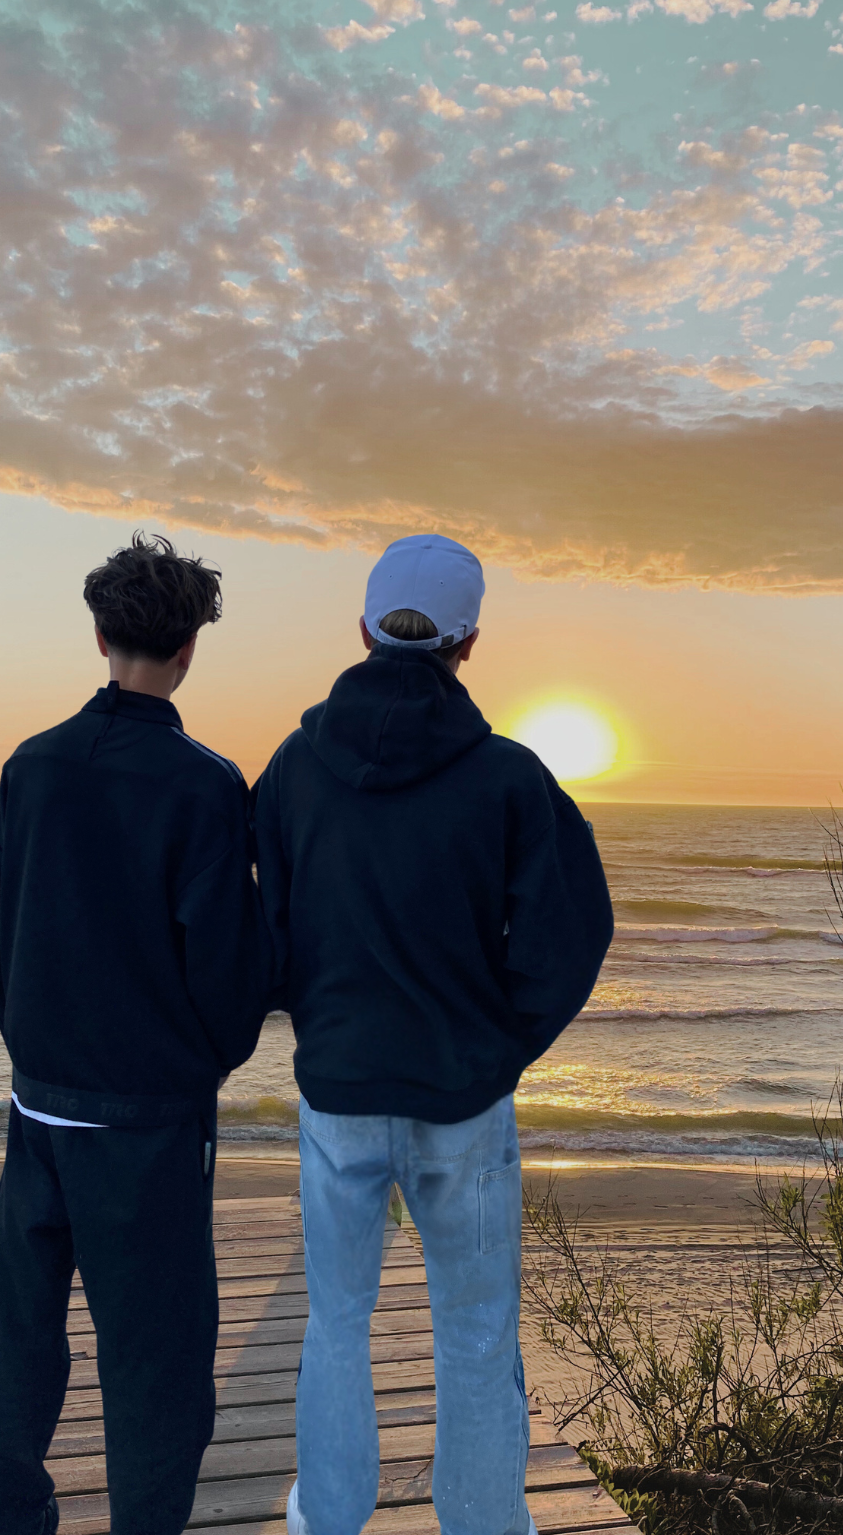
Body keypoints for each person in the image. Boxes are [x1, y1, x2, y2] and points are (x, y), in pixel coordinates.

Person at [253, 534, 613, 1535]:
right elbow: (575, 929)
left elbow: (267, 926)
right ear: (469, 643)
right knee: (475, 1331)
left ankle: (326, 1518)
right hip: (462, 1098)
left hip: (341, 1092)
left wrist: (313, 1017)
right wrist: (502, 1042)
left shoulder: (293, 767)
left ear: (365, 629)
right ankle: (487, 1523)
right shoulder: (507, 776)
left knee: (337, 1323)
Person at [0, 533, 271, 1535]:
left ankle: (13, 1519)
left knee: (18, 1339)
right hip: (147, 1122)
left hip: (40, 1103)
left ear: (100, 635)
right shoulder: (205, 784)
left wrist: (35, 1035)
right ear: (189, 649)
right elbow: (228, 966)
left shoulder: (33, 765)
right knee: (157, 1360)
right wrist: (204, 1058)